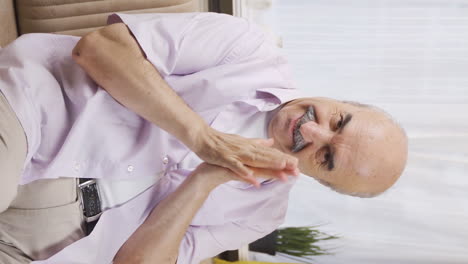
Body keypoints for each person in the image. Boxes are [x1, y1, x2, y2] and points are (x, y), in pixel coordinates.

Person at [0, 12, 408, 264]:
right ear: (341, 100)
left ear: (320, 180)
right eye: (339, 120)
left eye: (327, 158)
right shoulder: (246, 50)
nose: (313, 130)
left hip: (54, 241)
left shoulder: (260, 213)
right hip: (37, 116)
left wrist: (207, 177)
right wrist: (202, 139)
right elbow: (99, 50)